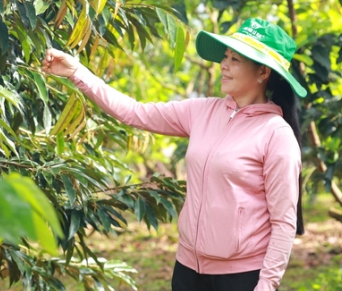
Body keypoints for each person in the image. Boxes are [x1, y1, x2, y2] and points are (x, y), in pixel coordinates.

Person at [42, 18, 306, 291]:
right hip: (188, 269)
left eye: (235, 59)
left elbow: (283, 221)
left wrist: (266, 285)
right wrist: (76, 72)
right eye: (225, 57)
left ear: (263, 72)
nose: (223, 65)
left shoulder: (276, 135)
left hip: (242, 276)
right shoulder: (202, 111)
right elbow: (134, 112)